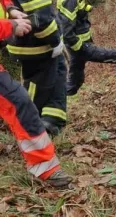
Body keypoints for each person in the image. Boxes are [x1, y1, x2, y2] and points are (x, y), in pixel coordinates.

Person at [0, 1, 72, 188]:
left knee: (19, 101)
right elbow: (43, 16)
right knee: (23, 99)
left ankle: (46, 168)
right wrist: (11, 26)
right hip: (35, 49)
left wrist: (11, 9)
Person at [57, 0, 116, 102]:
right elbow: (66, 32)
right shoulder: (69, 1)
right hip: (81, 47)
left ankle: (56, 102)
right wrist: (81, 47)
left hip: (78, 47)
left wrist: (87, 8)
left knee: (74, 82)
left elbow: (77, 10)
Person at [6, 0, 68, 136]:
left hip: (39, 43)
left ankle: (53, 119)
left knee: (58, 74)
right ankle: (29, 124)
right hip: (35, 45)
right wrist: (55, 40)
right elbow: (41, 15)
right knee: (37, 85)